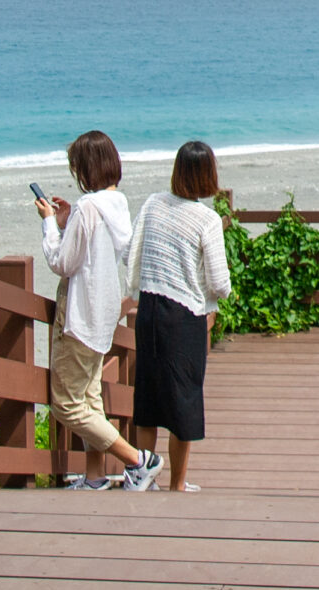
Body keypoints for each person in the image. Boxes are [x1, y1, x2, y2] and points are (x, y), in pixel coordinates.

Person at [40, 130, 163, 491]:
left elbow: (62, 261)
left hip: (79, 315)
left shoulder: (89, 207)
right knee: (90, 398)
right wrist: (67, 221)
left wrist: (50, 223)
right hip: (103, 315)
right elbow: (93, 251)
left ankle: (139, 460)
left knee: (67, 404)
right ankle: (94, 478)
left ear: (86, 169)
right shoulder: (116, 204)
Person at [125, 140, 233, 492]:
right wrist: (218, 297)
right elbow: (219, 281)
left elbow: (132, 251)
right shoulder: (207, 218)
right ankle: (177, 483)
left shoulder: (154, 203)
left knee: (148, 399)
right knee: (183, 400)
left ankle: (143, 475)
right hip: (185, 315)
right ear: (208, 175)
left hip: (149, 309)